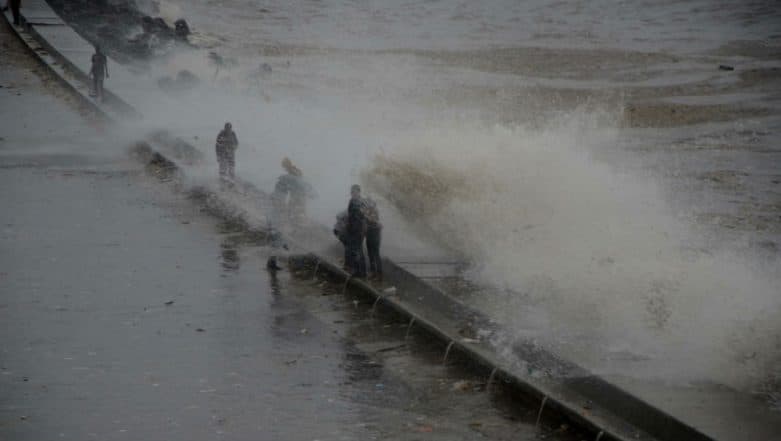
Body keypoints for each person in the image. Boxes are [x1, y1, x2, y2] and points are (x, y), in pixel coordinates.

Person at [272, 157, 312, 226]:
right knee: (295, 209)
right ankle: (297, 223)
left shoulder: (294, 171)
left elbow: (296, 181)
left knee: (296, 209)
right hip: (296, 194)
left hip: (298, 194)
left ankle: (299, 224)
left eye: (284, 165)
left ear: (286, 164)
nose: (283, 167)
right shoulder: (293, 171)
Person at [344, 184, 367, 278]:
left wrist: (361, 229)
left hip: (358, 230)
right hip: (353, 229)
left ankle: (360, 272)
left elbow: (362, 217)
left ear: (358, 192)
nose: (352, 193)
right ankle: (358, 270)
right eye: (352, 191)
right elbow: (350, 215)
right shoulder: (352, 201)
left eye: (354, 191)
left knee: (358, 250)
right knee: (355, 250)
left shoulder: (360, 202)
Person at [362, 196, 383, 280]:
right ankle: (373, 272)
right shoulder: (368, 210)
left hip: (375, 235)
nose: (367, 204)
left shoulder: (374, 211)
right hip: (369, 234)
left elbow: (373, 220)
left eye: (369, 202)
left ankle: (379, 274)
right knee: (370, 254)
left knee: (376, 254)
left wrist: (365, 215)